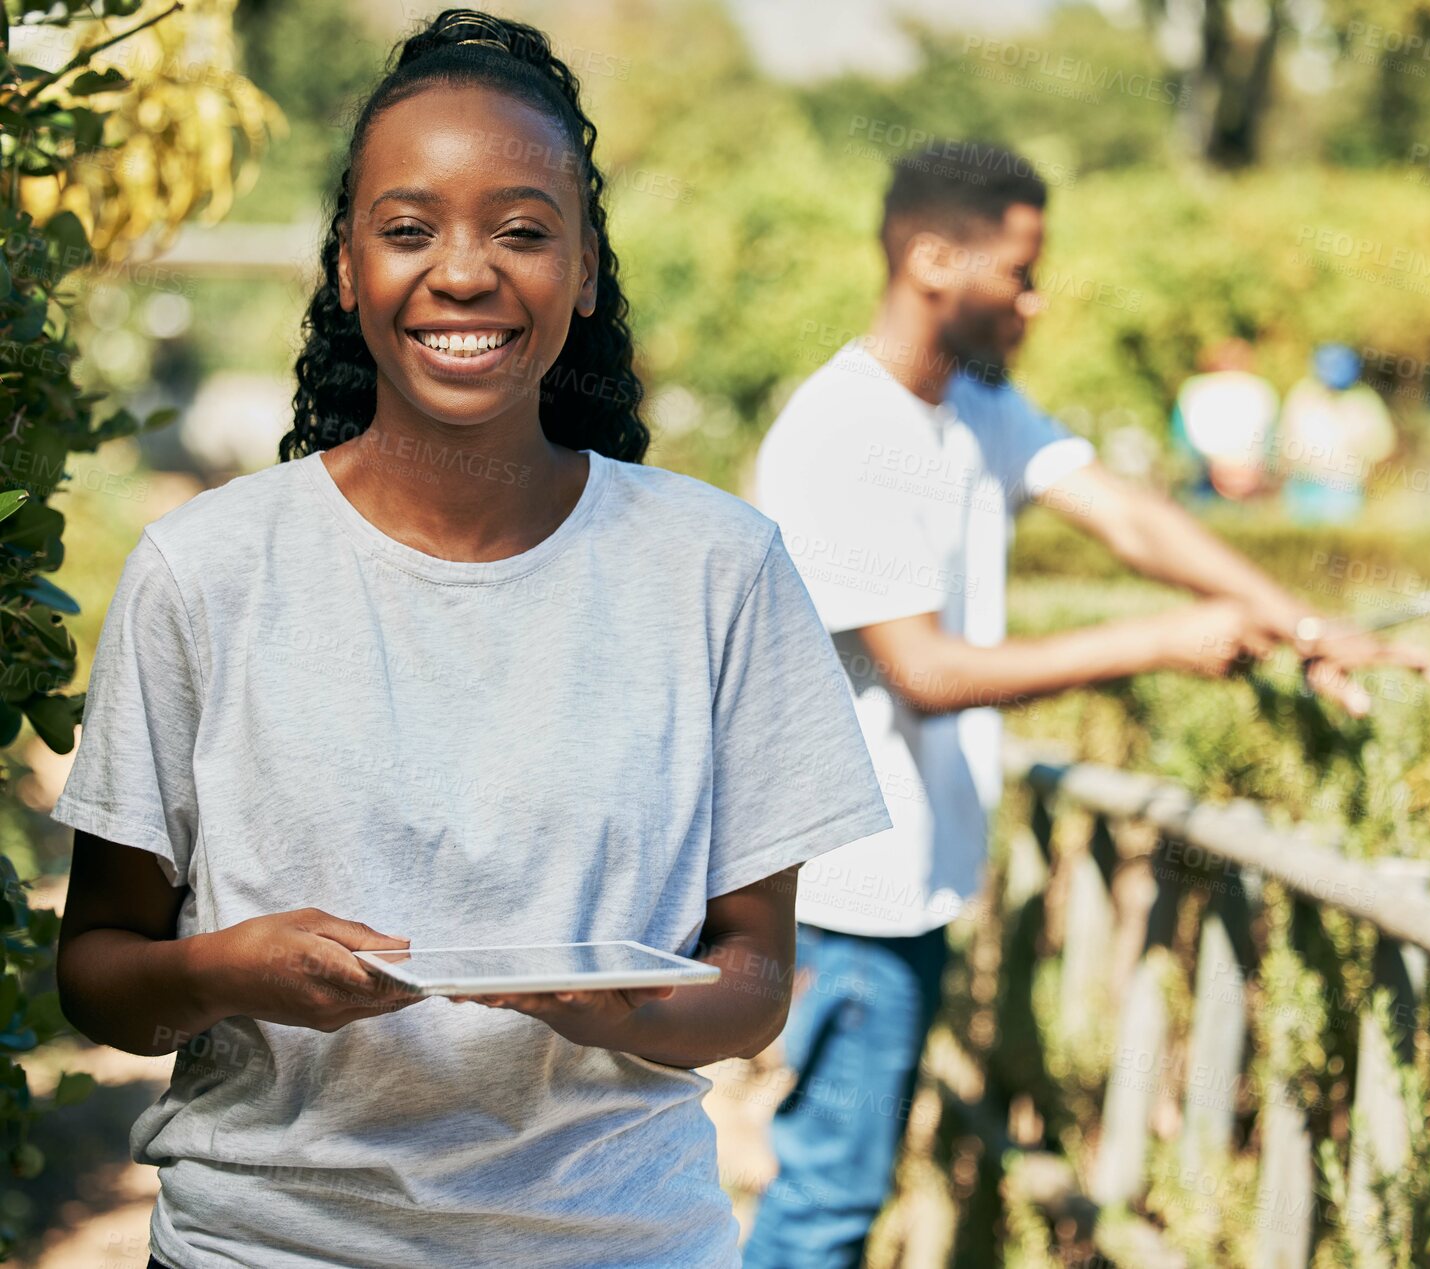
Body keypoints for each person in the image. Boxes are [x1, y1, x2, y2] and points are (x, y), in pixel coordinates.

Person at [52, 11, 892, 1268]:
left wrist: (619, 1006)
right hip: (266, 1248)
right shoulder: (206, 570)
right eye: (408, 229)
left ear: (586, 269)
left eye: (520, 229)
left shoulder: (717, 570)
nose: (463, 272)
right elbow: (99, 973)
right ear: (346, 268)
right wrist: (231, 969)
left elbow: (755, 984)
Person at [745, 143, 1430, 1268]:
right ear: (930, 260)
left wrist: (1303, 627)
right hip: (842, 898)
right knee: (825, 1200)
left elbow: (1126, 518)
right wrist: (1160, 643)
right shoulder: (842, 433)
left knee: (840, 1189)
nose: (1036, 298)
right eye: (1017, 273)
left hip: (905, 887)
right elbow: (925, 674)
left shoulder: (970, 405)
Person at [1277, 342, 1396, 524]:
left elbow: (1380, 444)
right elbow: (1285, 437)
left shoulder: (1362, 400)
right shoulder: (1303, 395)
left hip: (1343, 485)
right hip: (1304, 482)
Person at [1170, 337, 1278, 501]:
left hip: (1208, 473)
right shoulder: (1260, 389)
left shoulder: (1193, 389)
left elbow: (1181, 437)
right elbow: (1269, 439)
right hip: (1236, 474)